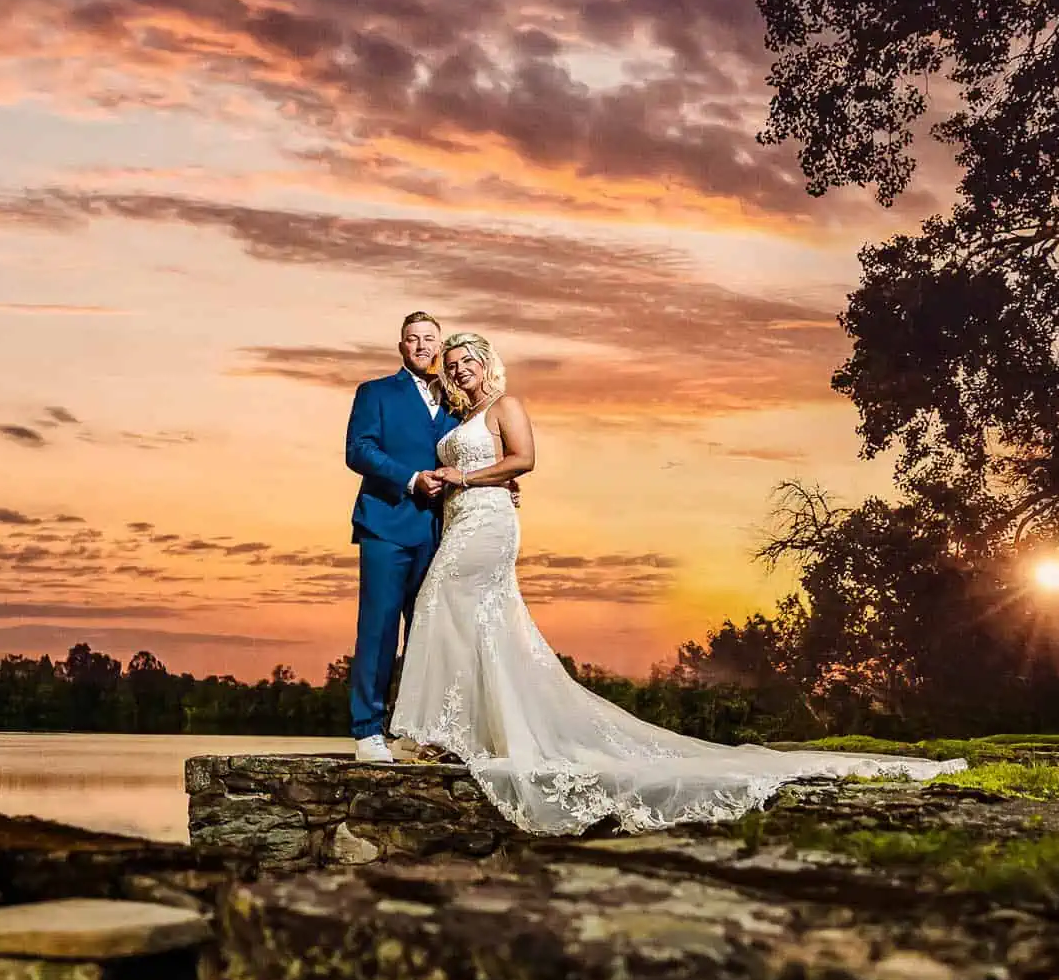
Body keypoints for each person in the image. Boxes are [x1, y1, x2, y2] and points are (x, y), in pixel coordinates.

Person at [386, 330, 966, 832]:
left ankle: (465, 730)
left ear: (488, 362)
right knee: (463, 616)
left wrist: (469, 477)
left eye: (469, 360)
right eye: (454, 362)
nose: (461, 368)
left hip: (487, 522)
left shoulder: (505, 404)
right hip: (459, 518)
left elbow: (525, 460)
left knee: (448, 604)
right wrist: (455, 486)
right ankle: (464, 731)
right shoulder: (458, 418)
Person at [343, 312, 518, 763]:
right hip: (386, 524)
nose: (421, 346)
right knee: (379, 628)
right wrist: (410, 479)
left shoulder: (458, 403)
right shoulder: (375, 393)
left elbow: (479, 453)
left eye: (428, 339)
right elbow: (359, 450)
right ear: (401, 346)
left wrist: (499, 482)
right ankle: (368, 731)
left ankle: (424, 731)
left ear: (438, 346)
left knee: (434, 630)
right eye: (411, 339)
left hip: (445, 532)